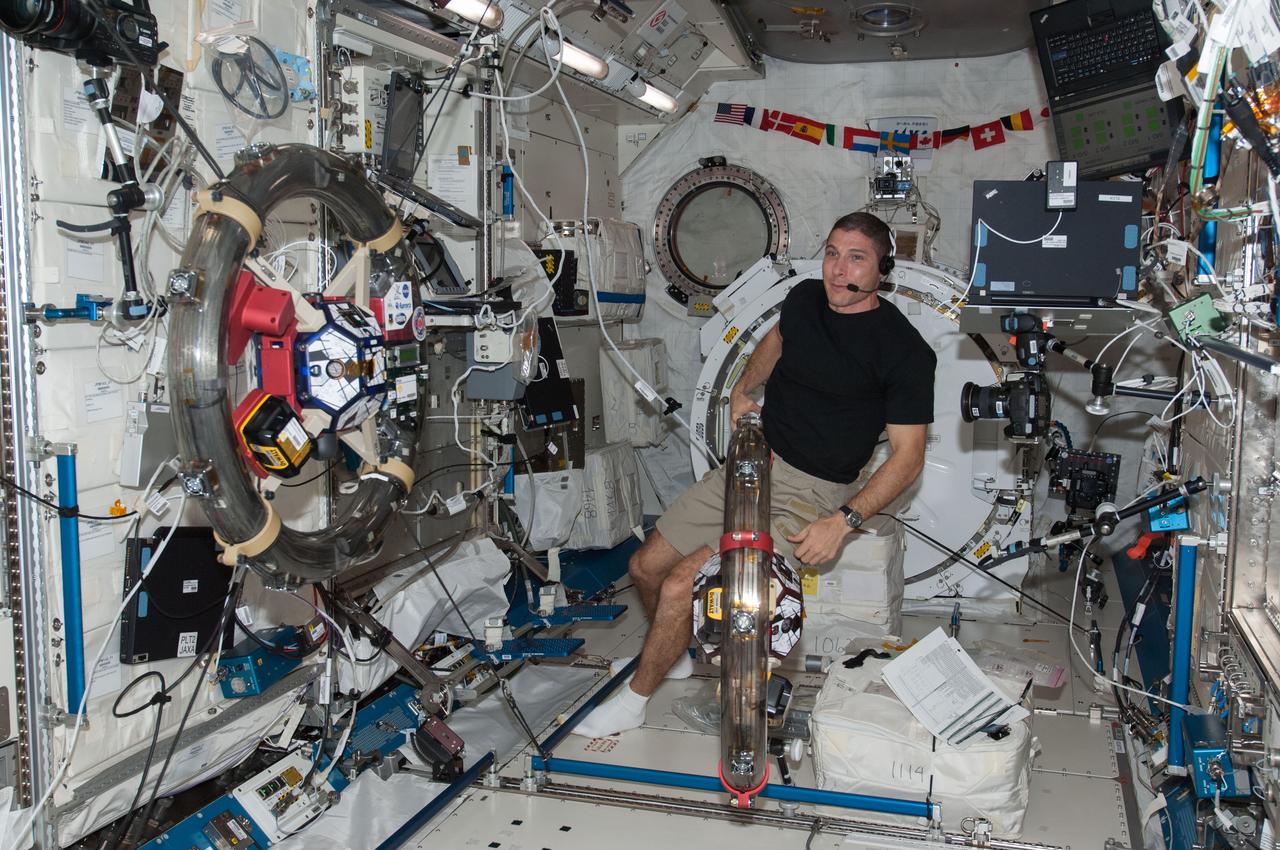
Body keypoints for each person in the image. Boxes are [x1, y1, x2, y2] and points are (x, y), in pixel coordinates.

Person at [573, 211, 937, 738]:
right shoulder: (806, 298)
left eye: (856, 258)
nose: (838, 269)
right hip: (752, 462)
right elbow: (777, 340)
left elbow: (909, 457)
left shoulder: (904, 350)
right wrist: (746, 388)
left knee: (683, 587)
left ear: (884, 268)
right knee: (646, 566)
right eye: (832, 253)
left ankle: (632, 702)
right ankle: (673, 651)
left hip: (810, 490)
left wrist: (843, 520)